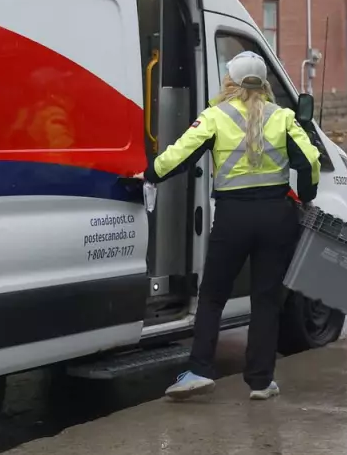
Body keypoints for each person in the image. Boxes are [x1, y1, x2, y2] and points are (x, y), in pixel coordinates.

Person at [135, 50, 320, 401]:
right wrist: (307, 194)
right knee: (266, 300)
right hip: (276, 215)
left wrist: (148, 175)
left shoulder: (215, 117)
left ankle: (199, 370)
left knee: (213, 294)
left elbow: (179, 154)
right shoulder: (281, 116)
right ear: (264, 83)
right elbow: (310, 159)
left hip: (233, 217)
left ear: (230, 82)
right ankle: (261, 381)